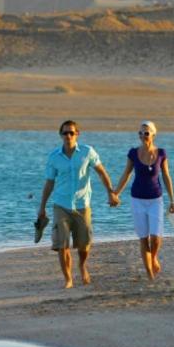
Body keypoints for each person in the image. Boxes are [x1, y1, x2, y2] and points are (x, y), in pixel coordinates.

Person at [36, 120, 118, 289]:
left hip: (83, 204)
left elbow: (102, 173)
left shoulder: (88, 152)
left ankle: (82, 265)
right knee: (62, 245)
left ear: (77, 134)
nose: (68, 136)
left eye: (71, 133)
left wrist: (111, 192)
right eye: (65, 133)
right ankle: (68, 279)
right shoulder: (54, 157)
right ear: (60, 135)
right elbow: (49, 182)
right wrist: (42, 207)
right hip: (61, 204)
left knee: (84, 244)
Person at [113, 120, 174, 280]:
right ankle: (149, 273)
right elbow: (126, 174)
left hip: (156, 199)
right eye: (140, 133)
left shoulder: (161, 153)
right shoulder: (133, 153)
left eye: (146, 133)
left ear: (153, 134)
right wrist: (116, 193)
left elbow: (166, 176)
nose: (143, 136)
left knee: (155, 238)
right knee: (143, 238)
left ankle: (154, 257)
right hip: (137, 200)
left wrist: (172, 200)